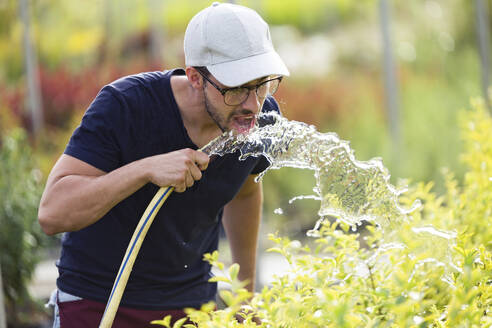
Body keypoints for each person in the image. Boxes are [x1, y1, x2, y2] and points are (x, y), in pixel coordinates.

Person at [38, 2, 289, 327]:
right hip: (99, 301)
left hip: (191, 306)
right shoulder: (125, 107)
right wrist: (144, 170)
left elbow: (244, 192)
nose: (252, 104)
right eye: (237, 89)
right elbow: (52, 213)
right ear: (195, 78)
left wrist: (245, 295)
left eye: (261, 84)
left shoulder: (261, 119)